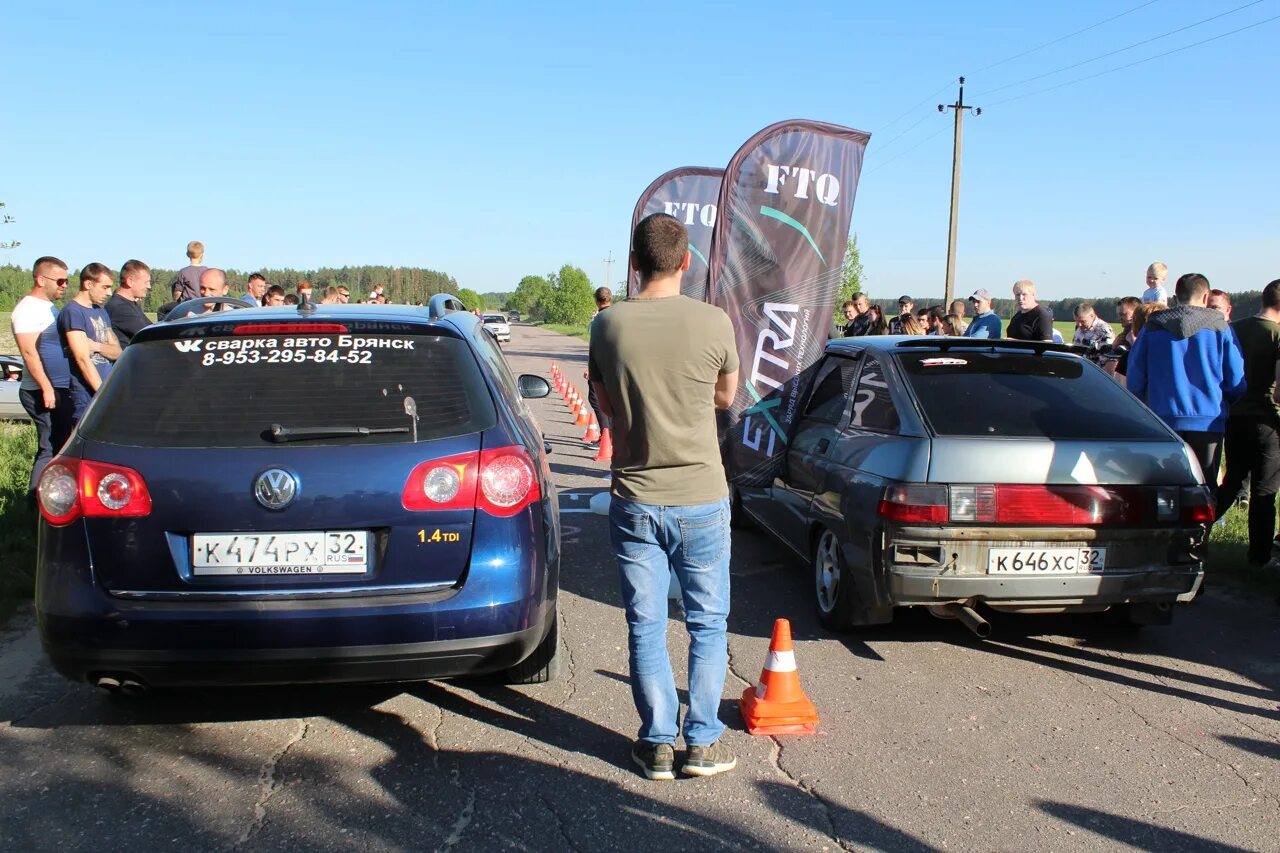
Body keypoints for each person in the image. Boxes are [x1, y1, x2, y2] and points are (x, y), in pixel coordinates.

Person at [588, 213, 739, 781]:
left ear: (633, 262)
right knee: (707, 622)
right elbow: (725, 397)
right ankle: (698, 744)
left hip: (635, 495)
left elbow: (604, 403)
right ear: (686, 262)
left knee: (646, 624)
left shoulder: (607, 325)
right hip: (701, 494)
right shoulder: (714, 322)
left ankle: (655, 744)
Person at [1126, 273, 1245, 482]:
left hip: (1162, 419)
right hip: (1208, 420)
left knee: (1163, 487)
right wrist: (1224, 401)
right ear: (1206, 297)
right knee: (1205, 489)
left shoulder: (1153, 326)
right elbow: (1236, 379)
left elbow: (1135, 377)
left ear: (1174, 297)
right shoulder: (1220, 327)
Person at [1215, 279, 1280, 568]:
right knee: (1265, 491)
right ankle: (1259, 558)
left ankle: (1194, 535)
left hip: (1234, 415)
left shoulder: (1234, 328)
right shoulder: (1277, 334)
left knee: (1231, 483)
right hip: (1265, 418)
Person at [11, 256, 74, 501]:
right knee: (49, 447)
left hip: (57, 386)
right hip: (40, 390)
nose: (64, 286)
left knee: (59, 445)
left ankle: (53, 497)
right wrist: (47, 387)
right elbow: (29, 352)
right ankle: (37, 503)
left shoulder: (49, 307)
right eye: (60, 281)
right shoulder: (26, 309)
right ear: (40, 279)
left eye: (67, 281)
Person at [57, 262, 121, 423]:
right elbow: (82, 359)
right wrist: (102, 394)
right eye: (105, 287)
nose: (109, 292)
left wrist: (96, 346)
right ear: (88, 284)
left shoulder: (100, 310)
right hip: (86, 394)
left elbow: (118, 351)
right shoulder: (73, 312)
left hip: (106, 388)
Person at [585, 286, 614, 444]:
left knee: (595, 398)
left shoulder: (599, 320)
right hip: (615, 366)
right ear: (611, 299)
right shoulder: (617, 316)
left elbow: (594, 346)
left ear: (596, 300)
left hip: (601, 366)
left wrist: (590, 368)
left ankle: (606, 436)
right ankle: (610, 435)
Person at [105, 259, 152, 347]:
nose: (149, 286)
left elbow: (152, 327)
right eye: (146, 282)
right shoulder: (119, 308)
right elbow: (149, 334)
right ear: (130, 282)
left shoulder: (131, 304)